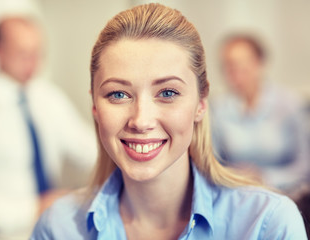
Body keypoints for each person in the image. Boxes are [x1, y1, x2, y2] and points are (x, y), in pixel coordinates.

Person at [31, 4, 307, 239]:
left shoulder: (267, 222)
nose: (141, 120)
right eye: (118, 94)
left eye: (167, 93)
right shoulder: (59, 227)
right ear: (94, 105)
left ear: (200, 103)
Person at [0, 16, 97, 237]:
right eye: (22, 53)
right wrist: (32, 208)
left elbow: (89, 149)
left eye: (37, 53)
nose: (32, 62)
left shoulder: (47, 97)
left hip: (49, 225)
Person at [210, 34, 309, 194]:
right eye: (228, 65)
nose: (235, 72)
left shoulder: (290, 103)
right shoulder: (217, 108)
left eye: (242, 64)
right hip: (236, 191)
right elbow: (212, 162)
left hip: (286, 192)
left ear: (260, 62)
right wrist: (236, 177)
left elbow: (304, 167)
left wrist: (264, 177)